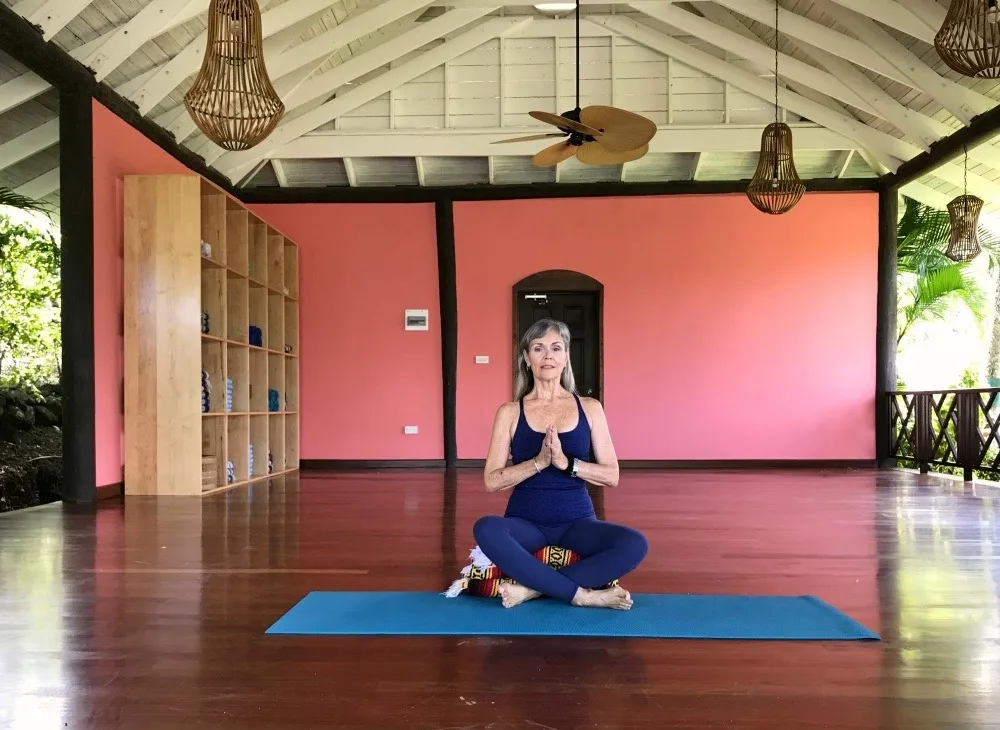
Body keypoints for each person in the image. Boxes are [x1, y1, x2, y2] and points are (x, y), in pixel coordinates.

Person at [473, 317, 648, 609]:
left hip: (577, 522)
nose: (548, 356)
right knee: (486, 528)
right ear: (527, 359)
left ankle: (531, 590)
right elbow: (492, 480)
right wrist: (539, 462)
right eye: (538, 348)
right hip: (525, 523)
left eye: (556, 348)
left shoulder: (590, 408)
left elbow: (611, 475)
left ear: (566, 357)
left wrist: (567, 463)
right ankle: (580, 595)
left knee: (635, 544)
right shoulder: (509, 412)